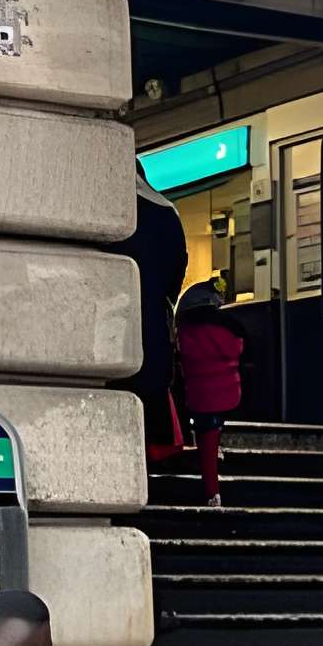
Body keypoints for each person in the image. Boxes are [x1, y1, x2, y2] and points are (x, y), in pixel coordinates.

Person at [114, 171, 189, 463]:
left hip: (108, 332)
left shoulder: (100, 202)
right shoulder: (166, 211)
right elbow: (175, 277)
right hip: (151, 334)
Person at [174, 281, 246, 506]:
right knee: (213, 431)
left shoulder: (186, 332)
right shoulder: (229, 329)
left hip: (200, 396)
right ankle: (213, 480)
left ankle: (212, 492)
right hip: (229, 392)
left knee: (206, 437)